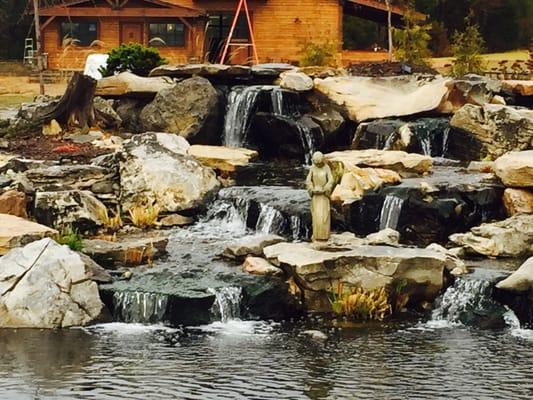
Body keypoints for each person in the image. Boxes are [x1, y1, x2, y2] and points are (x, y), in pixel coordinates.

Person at [306, 151, 334, 241]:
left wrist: (326, 188)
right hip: (315, 196)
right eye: (316, 163)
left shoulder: (326, 168)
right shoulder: (312, 169)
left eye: (319, 163)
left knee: (324, 216)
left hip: (324, 197)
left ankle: (325, 235)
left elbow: (331, 180)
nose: (318, 165)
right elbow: (308, 180)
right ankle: (316, 235)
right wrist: (311, 188)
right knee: (316, 216)